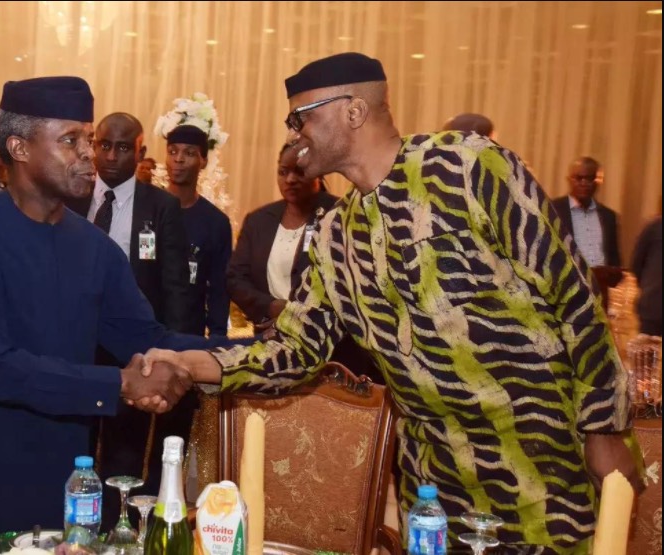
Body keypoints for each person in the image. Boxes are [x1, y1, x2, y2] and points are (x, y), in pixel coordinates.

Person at [146, 53, 642, 553]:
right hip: (435, 485)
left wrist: (603, 426)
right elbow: (295, 349)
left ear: (353, 111)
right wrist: (192, 364)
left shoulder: (468, 167)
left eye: (302, 119)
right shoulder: (335, 236)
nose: (295, 136)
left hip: (545, 466)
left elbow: (575, 297)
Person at [0, 76, 219, 537]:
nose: (88, 154)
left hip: (57, 488)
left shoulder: (96, 251)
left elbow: (148, 339)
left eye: (89, 138)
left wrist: (239, 357)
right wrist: (119, 383)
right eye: (70, 140)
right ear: (18, 147)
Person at [64, 111, 195, 528]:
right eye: (104, 145)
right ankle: (74, 521)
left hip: (135, 346)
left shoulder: (162, 206)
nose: (112, 156)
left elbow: (175, 284)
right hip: (77, 341)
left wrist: (170, 349)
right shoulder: (72, 196)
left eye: (124, 147)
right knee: (76, 439)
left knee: (125, 444)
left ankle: (116, 526)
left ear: (140, 152)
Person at [227, 143, 379, 381]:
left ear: (318, 172)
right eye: (283, 171)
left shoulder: (341, 214)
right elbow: (235, 278)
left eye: (299, 171)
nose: (290, 179)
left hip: (333, 350)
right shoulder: (258, 220)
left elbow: (355, 281)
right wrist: (272, 307)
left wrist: (300, 315)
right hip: (271, 341)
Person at [164, 124, 232, 337]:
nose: (179, 159)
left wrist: (217, 339)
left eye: (190, 153)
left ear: (203, 161)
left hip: (189, 334)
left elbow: (219, 289)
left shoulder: (215, 222)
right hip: (146, 330)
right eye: (173, 151)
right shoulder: (149, 210)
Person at [552, 156, 621, 268]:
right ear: (569, 179)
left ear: (598, 182)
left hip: (601, 282)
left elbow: (614, 259)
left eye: (590, 178)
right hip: (566, 282)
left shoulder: (609, 216)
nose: (584, 183)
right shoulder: (553, 210)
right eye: (579, 178)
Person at [631, 214, 662, 336]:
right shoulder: (654, 228)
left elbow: (636, 266)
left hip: (651, 306)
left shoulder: (654, 227)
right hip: (653, 308)